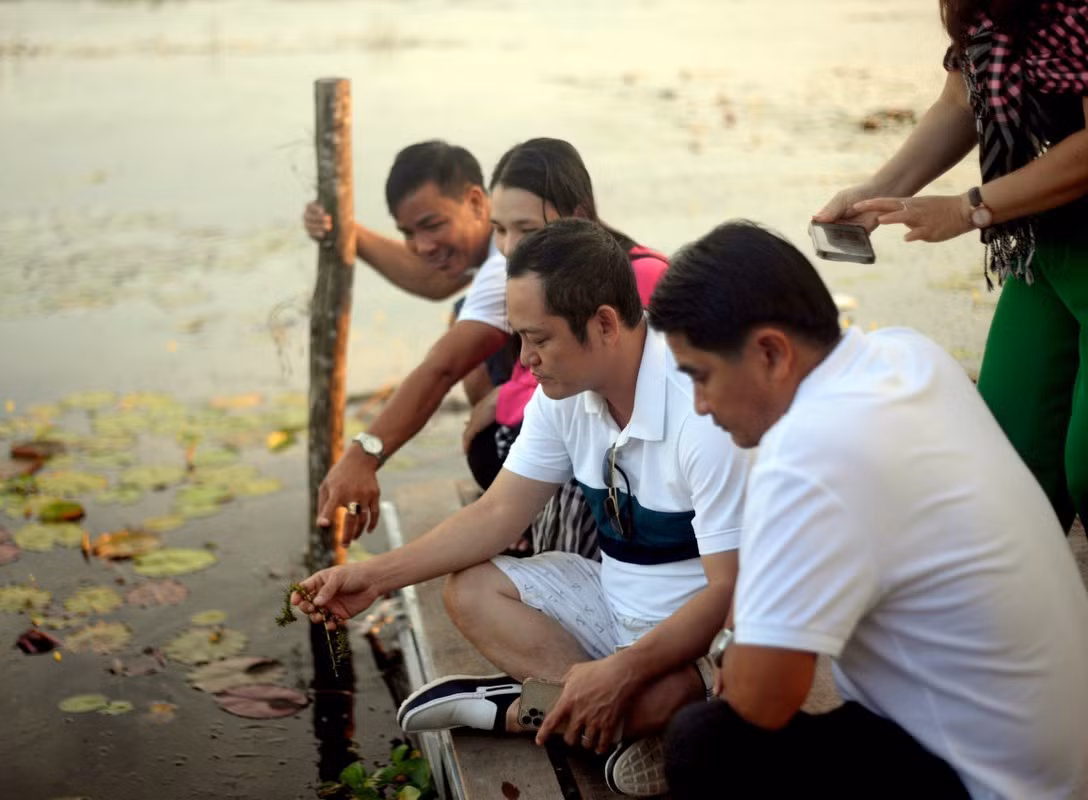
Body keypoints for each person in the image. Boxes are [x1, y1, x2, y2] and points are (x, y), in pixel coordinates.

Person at [293, 219, 749, 797]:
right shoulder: (564, 394)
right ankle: (598, 718)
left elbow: (727, 594)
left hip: (699, 640)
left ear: (605, 323)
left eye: (539, 339)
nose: (524, 360)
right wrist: (372, 577)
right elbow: (496, 514)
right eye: (519, 338)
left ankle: (513, 710)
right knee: (470, 589)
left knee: (672, 695)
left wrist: (624, 671)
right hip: (613, 608)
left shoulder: (699, 410)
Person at [647, 220, 1088, 799]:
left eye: (701, 377)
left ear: (772, 352)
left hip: (990, 783)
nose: (700, 406)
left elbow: (759, 699)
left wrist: (738, 639)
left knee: (705, 741)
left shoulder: (808, 452)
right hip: (1054, 759)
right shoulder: (908, 355)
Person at [814, 1, 1088, 533]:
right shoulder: (982, 6)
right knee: (1009, 467)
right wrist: (879, 191)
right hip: (1046, 249)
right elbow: (961, 100)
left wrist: (969, 208)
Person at [465, 137, 669, 558]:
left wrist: (506, 396)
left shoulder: (642, 276)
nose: (509, 247)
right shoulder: (528, 275)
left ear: (577, 215)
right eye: (499, 230)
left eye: (527, 229)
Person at [307, 140, 514, 538]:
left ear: (476, 202)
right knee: (463, 316)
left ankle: (521, 505)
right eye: (408, 233)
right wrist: (344, 229)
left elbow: (443, 367)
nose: (421, 246)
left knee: (464, 331)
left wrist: (364, 455)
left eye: (433, 225)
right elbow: (433, 277)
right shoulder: (497, 238)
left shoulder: (507, 257)